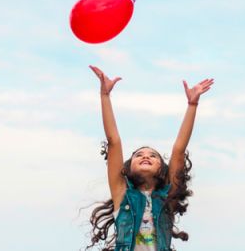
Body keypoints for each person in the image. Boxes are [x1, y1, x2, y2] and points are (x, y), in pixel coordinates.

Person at [86, 65, 214, 251]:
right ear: (127, 170)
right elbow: (113, 141)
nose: (146, 156)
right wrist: (105, 96)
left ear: (162, 170)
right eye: (139, 155)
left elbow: (179, 150)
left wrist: (192, 105)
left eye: (153, 156)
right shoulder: (122, 195)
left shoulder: (167, 198)